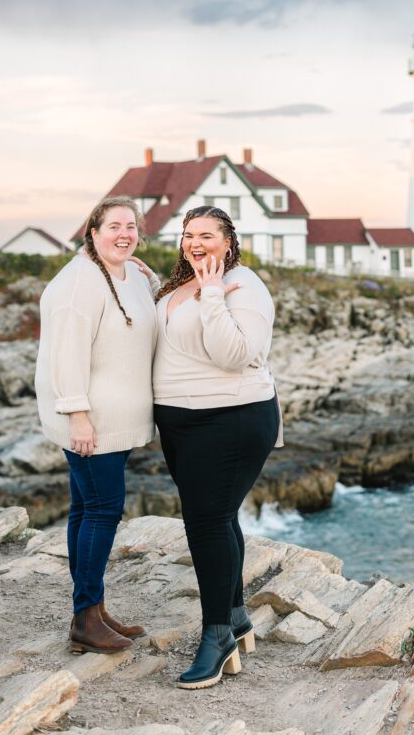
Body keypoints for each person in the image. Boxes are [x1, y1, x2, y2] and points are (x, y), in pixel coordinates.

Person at [138, 205, 282, 690]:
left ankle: (216, 637)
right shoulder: (179, 284)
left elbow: (235, 354)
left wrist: (214, 293)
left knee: (204, 524)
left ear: (228, 241)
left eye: (206, 234)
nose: (195, 242)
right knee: (218, 518)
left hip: (232, 420)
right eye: (187, 234)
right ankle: (237, 617)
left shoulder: (244, 286)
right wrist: (134, 281)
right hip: (180, 423)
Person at [35, 196, 158, 654]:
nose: (124, 234)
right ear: (93, 231)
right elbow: (66, 356)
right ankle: (85, 618)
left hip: (117, 418)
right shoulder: (78, 284)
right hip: (92, 423)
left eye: (131, 226)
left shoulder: (130, 275)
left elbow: (150, 318)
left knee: (85, 508)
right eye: (114, 227)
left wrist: (151, 277)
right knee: (103, 509)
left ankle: (94, 608)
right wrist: (78, 416)